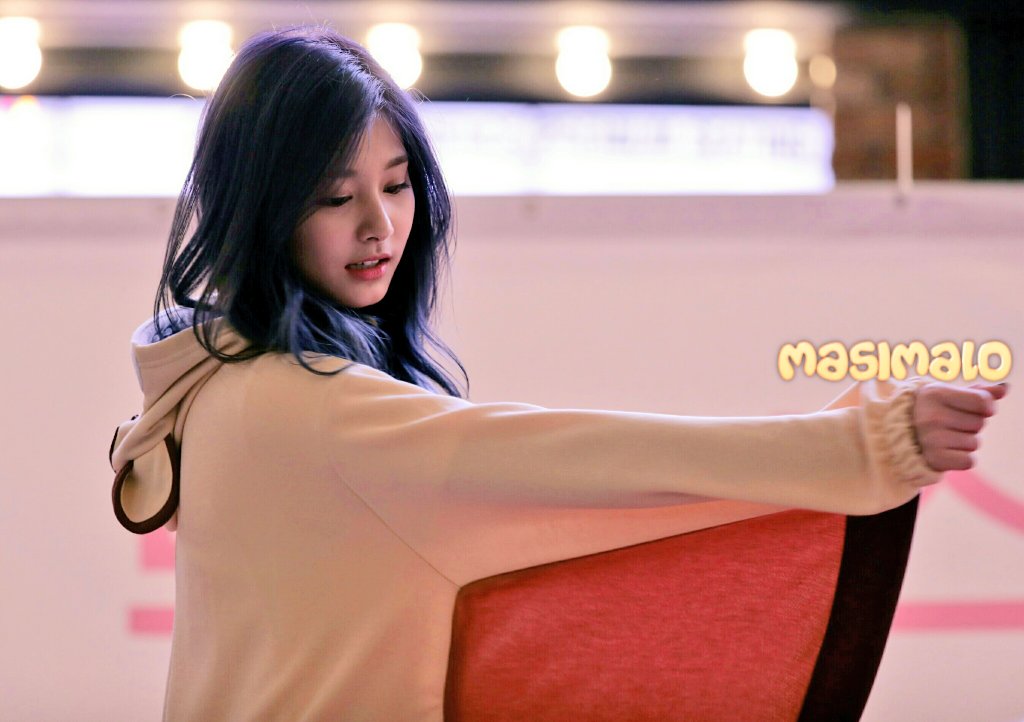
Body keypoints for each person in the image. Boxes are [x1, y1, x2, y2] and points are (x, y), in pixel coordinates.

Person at [108, 25, 1008, 722]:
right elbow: (588, 459)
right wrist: (870, 446)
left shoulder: (218, 389)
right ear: (262, 209)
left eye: (398, 184)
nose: (380, 226)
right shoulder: (314, 412)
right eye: (336, 197)